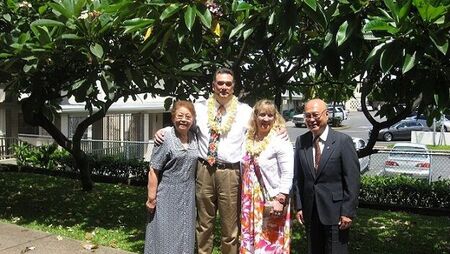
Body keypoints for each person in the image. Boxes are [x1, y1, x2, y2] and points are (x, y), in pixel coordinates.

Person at [155, 68, 253, 254]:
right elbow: (182, 123)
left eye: (228, 84)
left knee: (230, 229)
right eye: (220, 83)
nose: (224, 87)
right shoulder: (199, 107)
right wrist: (165, 131)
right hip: (204, 170)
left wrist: (279, 130)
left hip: (231, 174)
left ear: (233, 87)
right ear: (213, 85)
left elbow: (262, 131)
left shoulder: (245, 111)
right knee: (204, 225)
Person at [293, 98, 360, 254]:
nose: (311, 120)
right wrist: (299, 206)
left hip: (336, 213)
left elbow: (352, 179)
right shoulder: (301, 141)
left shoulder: (343, 141)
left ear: (327, 115)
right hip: (311, 211)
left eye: (315, 115)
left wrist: (348, 211)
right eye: (307, 116)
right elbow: (298, 177)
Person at [144, 100, 198, 254]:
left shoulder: (194, 137)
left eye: (188, 116)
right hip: (167, 194)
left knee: (185, 234)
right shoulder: (165, 138)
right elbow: (154, 169)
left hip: (188, 195)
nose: (184, 119)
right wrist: (151, 198)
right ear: (173, 117)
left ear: (193, 119)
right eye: (180, 115)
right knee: (164, 234)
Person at [240, 99, 294, 253]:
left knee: (270, 239)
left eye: (270, 115)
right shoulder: (248, 137)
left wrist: (281, 199)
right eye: (262, 114)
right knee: (250, 237)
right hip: (249, 199)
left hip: (271, 197)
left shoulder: (279, 139)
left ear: (275, 118)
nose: (266, 119)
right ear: (255, 116)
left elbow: (288, 172)